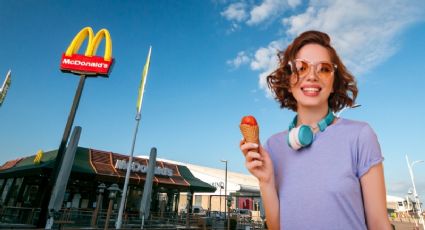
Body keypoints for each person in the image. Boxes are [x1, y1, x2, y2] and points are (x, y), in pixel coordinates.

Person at [240, 30, 392, 229]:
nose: (311, 76)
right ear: (289, 78)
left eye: (324, 69)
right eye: (301, 67)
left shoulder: (360, 136)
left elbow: (379, 223)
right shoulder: (272, 147)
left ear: (334, 81)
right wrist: (266, 181)